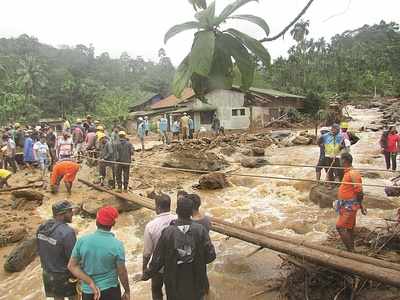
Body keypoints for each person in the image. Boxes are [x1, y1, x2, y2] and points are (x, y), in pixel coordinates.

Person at [142, 196, 216, 300]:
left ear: (176, 211)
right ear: (191, 212)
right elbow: (211, 256)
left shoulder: (168, 232)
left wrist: (146, 274)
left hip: (174, 283)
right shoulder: (200, 230)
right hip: (196, 281)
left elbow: (158, 259)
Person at [68, 206, 130, 300]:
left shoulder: (82, 241)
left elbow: (72, 266)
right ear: (113, 223)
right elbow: (122, 272)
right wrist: (127, 290)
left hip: (89, 291)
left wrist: (90, 282)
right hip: (110, 291)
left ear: (96, 221)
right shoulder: (117, 245)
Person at [37, 200, 78, 300]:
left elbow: (40, 249)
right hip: (64, 275)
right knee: (74, 297)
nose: (72, 213)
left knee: (57, 298)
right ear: (61, 214)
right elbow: (73, 258)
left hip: (48, 273)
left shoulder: (42, 227)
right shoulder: (68, 232)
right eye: (70, 211)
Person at [143, 194, 176, 300]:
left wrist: (144, 269)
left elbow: (147, 253)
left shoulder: (151, 226)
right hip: (176, 264)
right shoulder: (178, 219)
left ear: (158, 207)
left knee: (156, 290)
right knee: (173, 292)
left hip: (157, 266)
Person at [335, 152, 366, 252]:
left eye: (341, 159)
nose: (339, 161)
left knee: (340, 227)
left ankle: (350, 250)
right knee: (349, 227)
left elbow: (359, 191)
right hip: (346, 204)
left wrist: (361, 204)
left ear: (345, 160)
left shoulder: (353, 173)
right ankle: (352, 249)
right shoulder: (348, 172)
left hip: (350, 205)